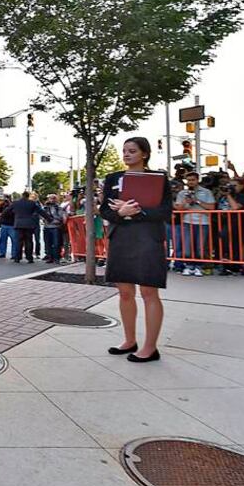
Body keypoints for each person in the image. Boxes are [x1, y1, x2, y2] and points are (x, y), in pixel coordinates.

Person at [101, 137, 173, 363]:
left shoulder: (159, 178)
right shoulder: (113, 178)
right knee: (124, 292)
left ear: (145, 154)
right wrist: (120, 213)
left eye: (132, 151)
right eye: (124, 150)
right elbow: (104, 209)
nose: (126, 154)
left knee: (149, 292)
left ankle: (150, 348)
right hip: (121, 237)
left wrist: (138, 211)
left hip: (147, 238)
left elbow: (165, 211)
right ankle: (129, 340)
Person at [173, 171, 215, 276]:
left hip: (203, 223)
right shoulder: (182, 193)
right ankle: (189, 267)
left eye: (193, 180)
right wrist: (185, 201)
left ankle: (198, 267)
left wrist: (197, 201)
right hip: (187, 222)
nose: (190, 182)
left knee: (200, 247)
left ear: (197, 180)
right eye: (188, 180)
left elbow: (212, 207)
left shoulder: (206, 192)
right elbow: (178, 208)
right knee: (187, 247)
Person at [10, 193, 47, 263]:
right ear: (28, 196)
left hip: (18, 224)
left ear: (22, 196)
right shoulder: (32, 203)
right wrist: (49, 218)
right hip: (29, 225)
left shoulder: (16, 203)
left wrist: (1, 219)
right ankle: (29, 258)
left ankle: (17, 258)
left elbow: (7, 211)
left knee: (18, 241)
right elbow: (41, 211)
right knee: (29, 241)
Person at [40, 194, 65, 263]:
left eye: (53, 198)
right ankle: (50, 257)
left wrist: (53, 220)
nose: (51, 200)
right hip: (47, 227)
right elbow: (41, 216)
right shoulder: (45, 208)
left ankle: (57, 258)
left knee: (56, 243)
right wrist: (45, 219)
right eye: (50, 198)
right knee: (48, 243)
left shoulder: (58, 208)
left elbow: (61, 217)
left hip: (56, 227)